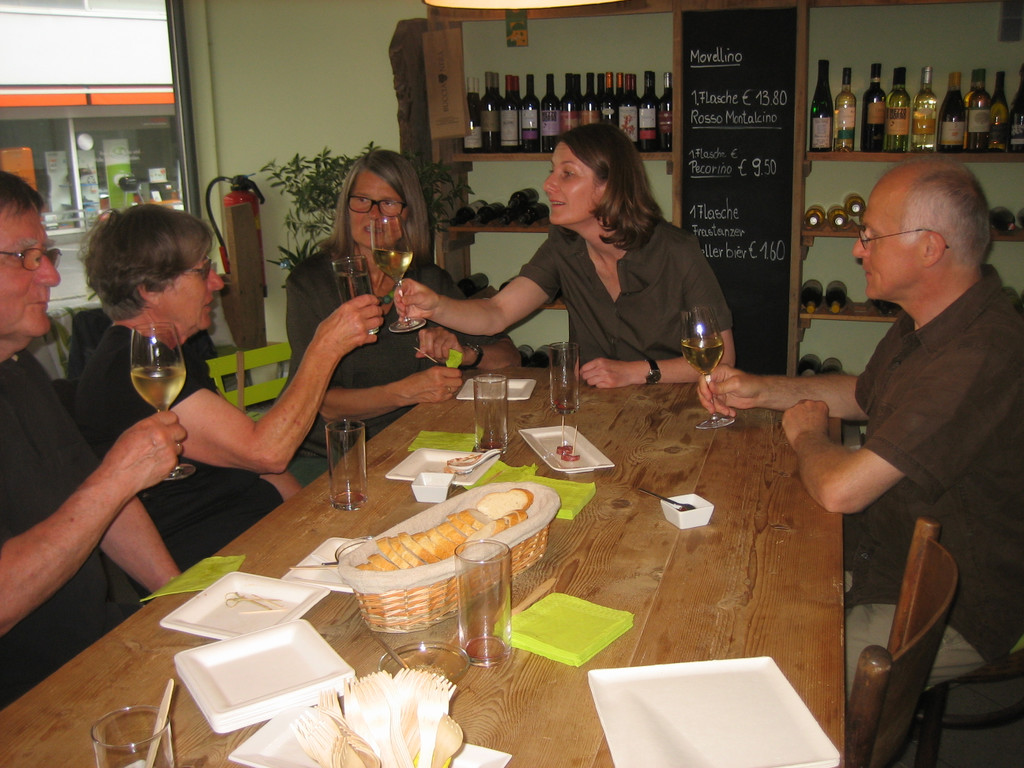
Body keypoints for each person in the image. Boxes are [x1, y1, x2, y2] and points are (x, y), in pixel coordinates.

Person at [699, 157, 1024, 691]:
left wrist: (808, 435)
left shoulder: (982, 352)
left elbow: (841, 490)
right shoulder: (933, 315)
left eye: (870, 236)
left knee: (770, 665)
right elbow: (864, 394)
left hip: (953, 600)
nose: (856, 249)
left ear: (929, 248)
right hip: (884, 548)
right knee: (733, 572)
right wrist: (763, 389)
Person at [74, 204, 381, 569]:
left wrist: (319, 526)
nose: (218, 283)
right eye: (202, 271)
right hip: (223, 562)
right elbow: (266, 452)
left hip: (266, 533)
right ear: (150, 290)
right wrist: (325, 347)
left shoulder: (169, 356)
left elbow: (259, 465)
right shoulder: (128, 369)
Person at [0, 170, 184, 706]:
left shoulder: (21, 369)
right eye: (25, 256)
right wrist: (118, 477)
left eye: (46, 254)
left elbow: (102, 502)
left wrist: (182, 597)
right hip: (29, 701)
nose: (51, 276)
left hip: (99, 644)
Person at [396, 123, 734, 389]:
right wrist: (435, 306)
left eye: (567, 173)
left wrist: (636, 372)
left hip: (675, 410)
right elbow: (497, 312)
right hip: (599, 411)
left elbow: (722, 360)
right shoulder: (565, 244)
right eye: (552, 170)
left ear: (610, 186)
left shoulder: (676, 252)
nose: (548, 184)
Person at [285, 148, 519, 450]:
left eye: (388, 203)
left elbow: (510, 358)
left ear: (409, 213)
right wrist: (405, 392)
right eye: (362, 200)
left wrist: (465, 353)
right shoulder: (310, 283)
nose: (373, 215)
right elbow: (323, 403)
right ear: (346, 207)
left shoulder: (427, 281)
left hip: (414, 439)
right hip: (332, 452)